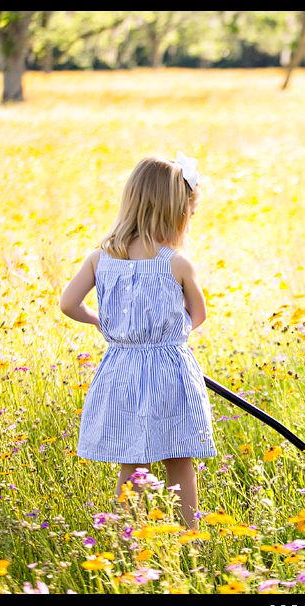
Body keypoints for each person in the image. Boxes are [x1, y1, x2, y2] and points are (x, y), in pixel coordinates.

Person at [60, 153, 215, 529]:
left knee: (132, 464)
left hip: (122, 370)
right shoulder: (176, 263)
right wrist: (169, 341)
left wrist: (105, 325)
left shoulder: (101, 258)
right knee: (180, 459)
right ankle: (189, 539)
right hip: (170, 373)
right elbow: (199, 315)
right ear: (175, 212)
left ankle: (128, 546)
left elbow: (68, 304)